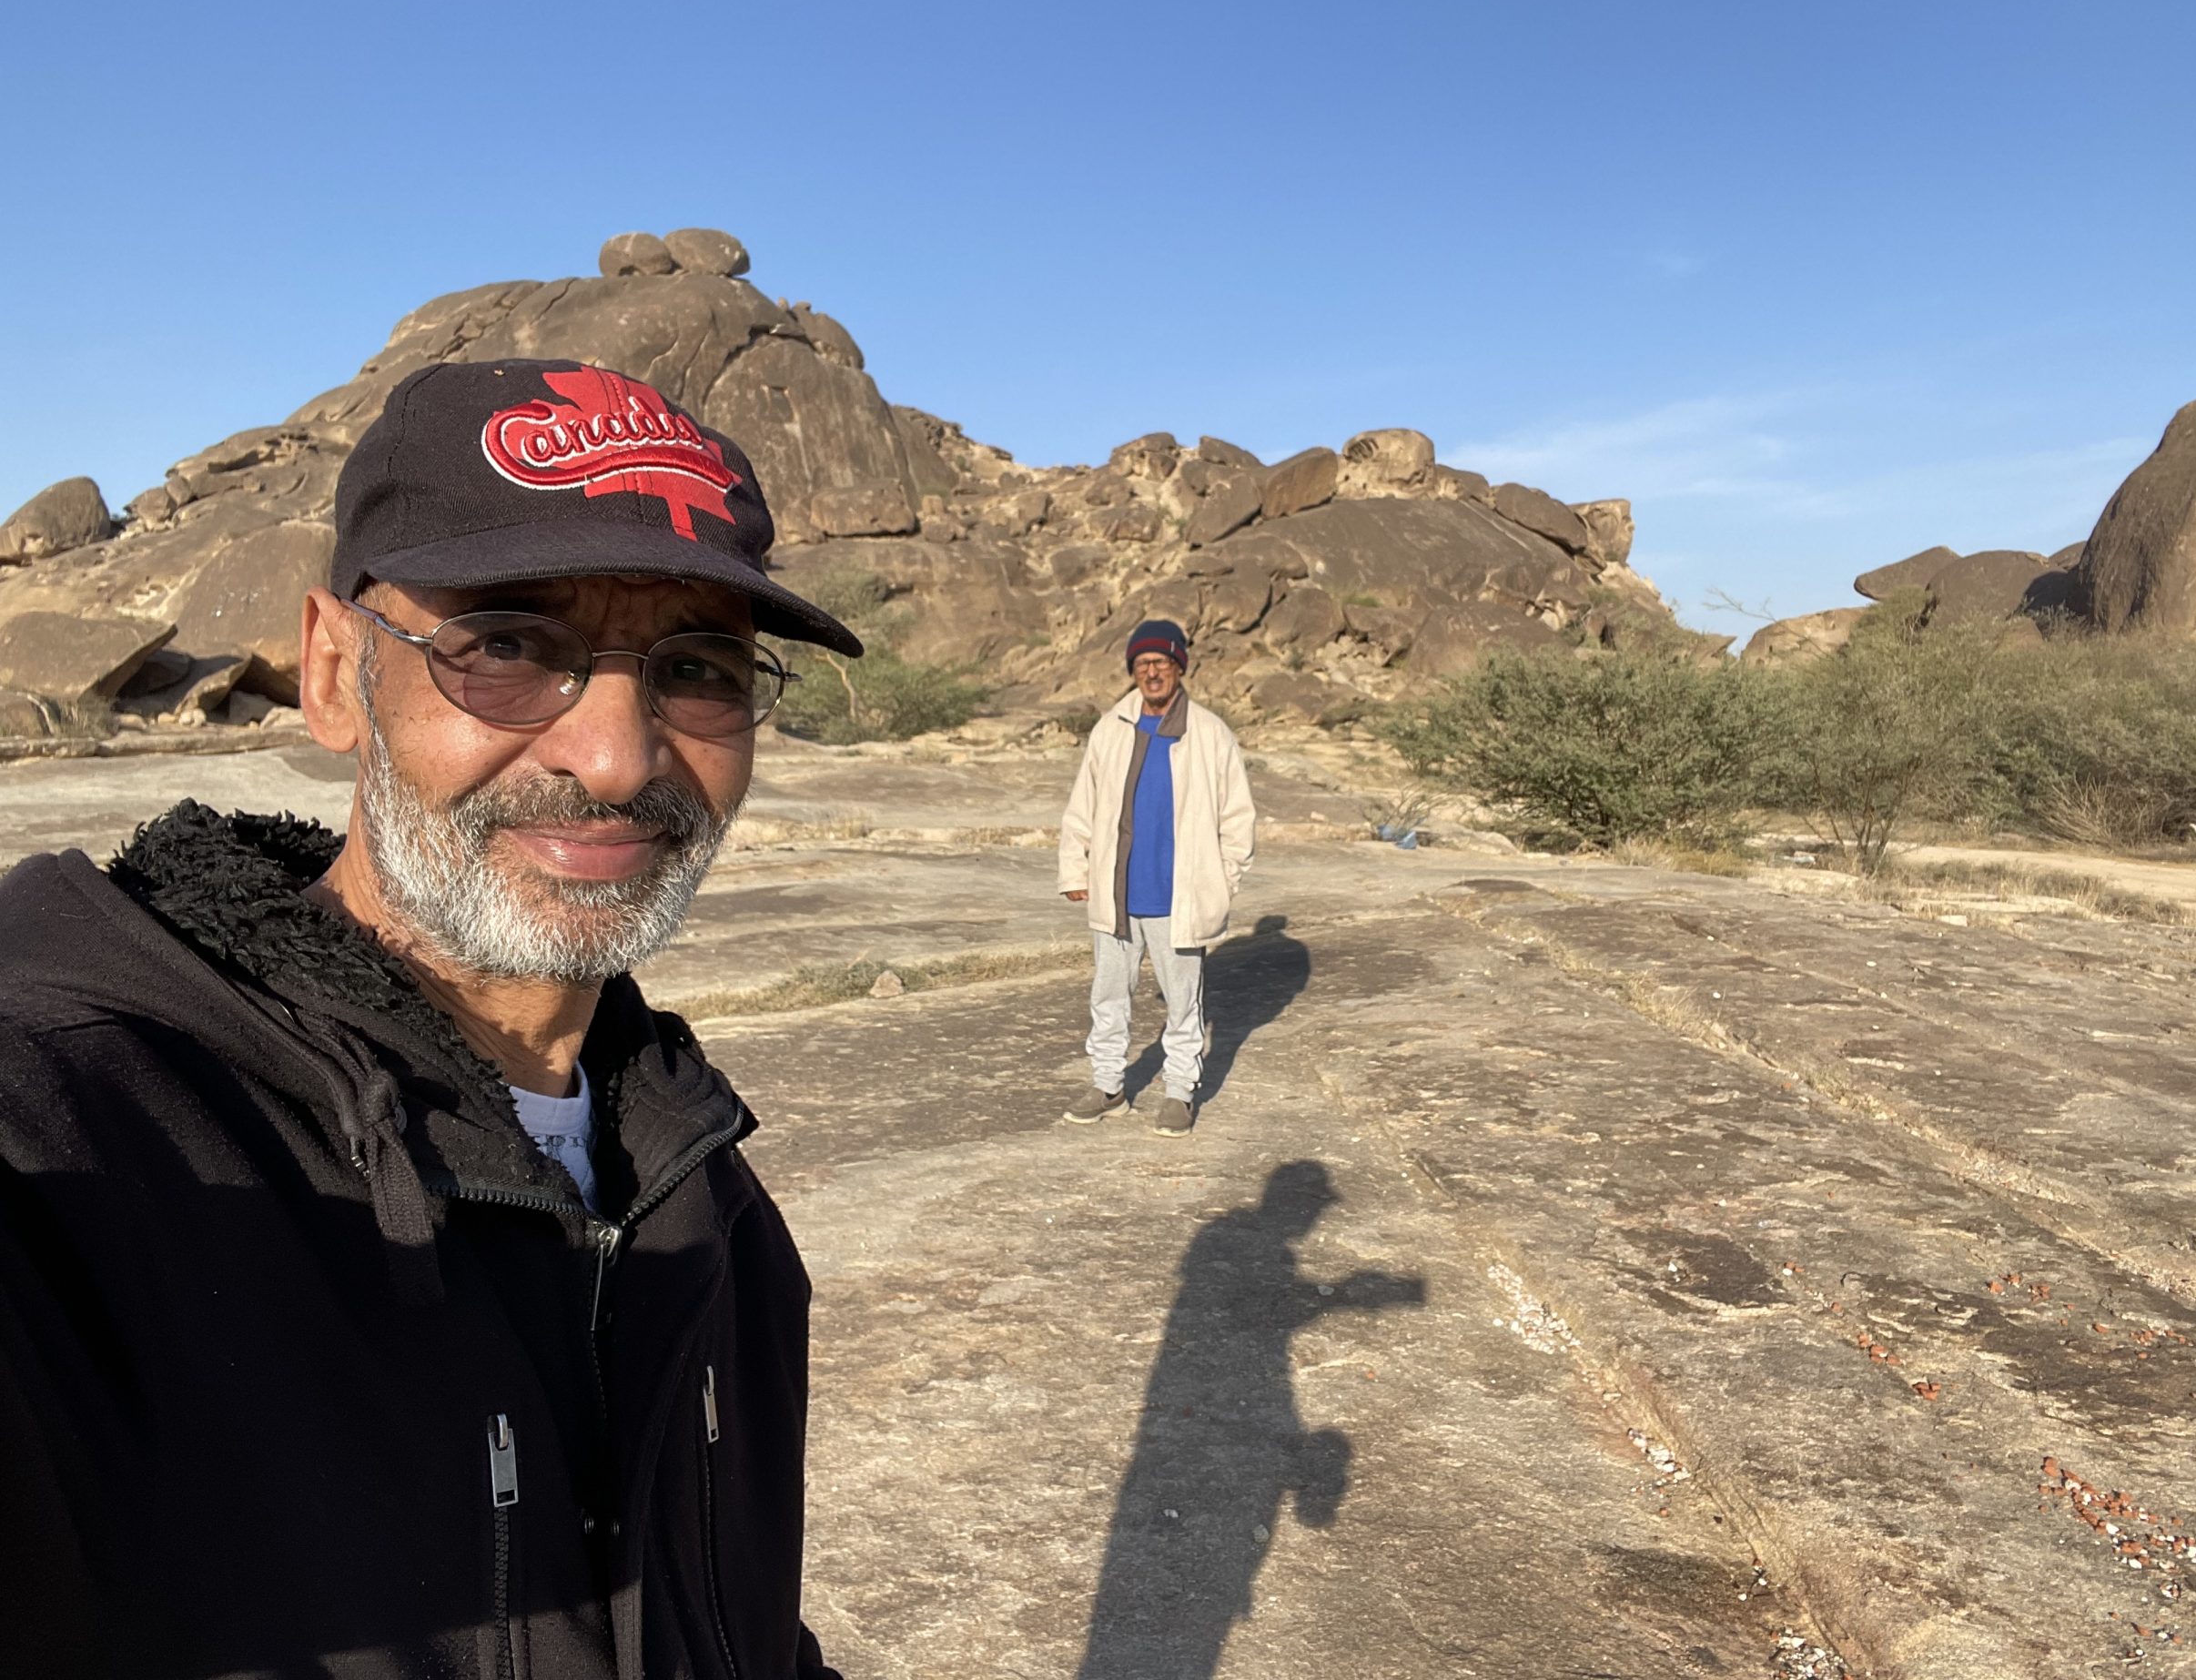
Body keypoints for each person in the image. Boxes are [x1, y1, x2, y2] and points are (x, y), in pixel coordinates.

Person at [0, 359, 854, 1678]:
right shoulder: (82, 1140)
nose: (617, 759)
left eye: (697, 668)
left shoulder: (705, 1202)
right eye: (507, 646)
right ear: (335, 672)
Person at [1057, 619, 1256, 1136]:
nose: (1151, 673)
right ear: (1133, 671)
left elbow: (1238, 818)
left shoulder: (1209, 733)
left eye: (1161, 663)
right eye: (1142, 664)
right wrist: (1074, 866)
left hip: (1179, 898)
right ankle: (1108, 1087)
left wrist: (1221, 883)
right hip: (1116, 892)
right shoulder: (1111, 727)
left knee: (1184, 1004)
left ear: (1178, 668)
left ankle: (1179, 1092)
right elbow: (1083, 805)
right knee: (1107, 997)